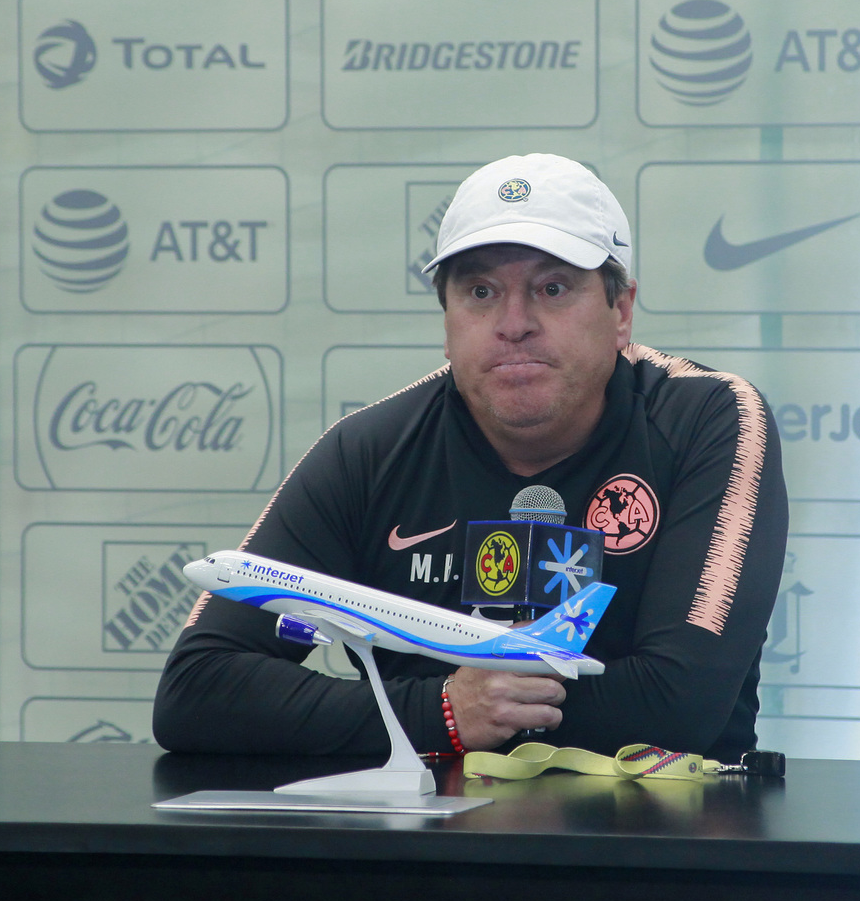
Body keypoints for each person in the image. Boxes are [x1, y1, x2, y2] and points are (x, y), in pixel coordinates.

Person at [154, 153, 788, 762]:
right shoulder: (369, 450)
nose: (513, 323)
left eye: (553, 288)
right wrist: (445, 710)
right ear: (447, 320)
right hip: (427, 826)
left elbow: (678, 704)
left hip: (657, 825)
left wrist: (460, 715)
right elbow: (195, 693)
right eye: (480, 291)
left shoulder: (708, 418)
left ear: (620, 312)